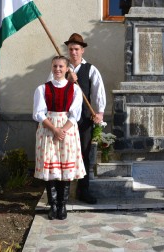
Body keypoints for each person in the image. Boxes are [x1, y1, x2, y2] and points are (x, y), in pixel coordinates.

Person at [34, 55, 86, 220]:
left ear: (66, 69)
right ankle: (53, 205)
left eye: (61, 67)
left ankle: (62, 205)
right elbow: (38, 113)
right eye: (55, 66)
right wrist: (55, 129)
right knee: (51, 169)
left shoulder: (75, 89)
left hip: (67, 130)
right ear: (52, 67)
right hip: (48, 128)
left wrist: (62, 130)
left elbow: (75, 113)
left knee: (64, 168)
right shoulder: (42, 88)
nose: (57, 69)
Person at [64, 33, 106, 204]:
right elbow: (51, 86)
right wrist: (68, 78)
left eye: (76, 49)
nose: (73, 52)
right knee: (65, 153)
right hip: (64, 119)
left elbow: (98, 92)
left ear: (82, 50)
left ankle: (83, 190)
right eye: (70, 49)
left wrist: (100, 112)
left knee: (84, 154)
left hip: (84, 119)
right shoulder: (61, 68)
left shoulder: (90, 69)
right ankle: (64, 192)